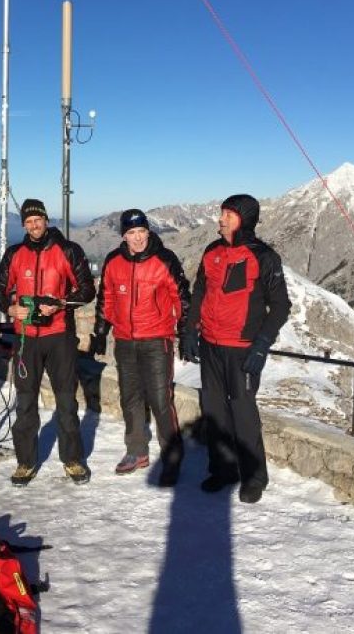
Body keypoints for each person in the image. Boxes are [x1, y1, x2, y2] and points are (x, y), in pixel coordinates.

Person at [182, 194, 291, 503]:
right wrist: (190, 331)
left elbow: (281, 306)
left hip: (242, 349)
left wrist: (261, 346)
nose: (221, 219)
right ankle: (223, 470)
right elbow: (200, 293)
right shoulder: (212, 251)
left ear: (244, 219)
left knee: (243, 414)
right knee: (214, 412)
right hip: (211, 345)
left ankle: (254, 477)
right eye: (222, 213)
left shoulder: (264, 257)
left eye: (228, 215)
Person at [0, 198, 96, 486]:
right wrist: (10, 308)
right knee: (25, 402)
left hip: (60, 336)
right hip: (26, 338)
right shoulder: (15, 254)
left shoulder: (68, 250)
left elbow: (87, 290)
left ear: (46, 220)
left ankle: (72, 459)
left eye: (38, 219)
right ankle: (25, 462)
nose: (34, 225)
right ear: (24, 224)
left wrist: (61, 303)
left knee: (66, 401)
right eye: (28, 221)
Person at [92, 208, 191, 486]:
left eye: (142, 232)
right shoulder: (114, 261)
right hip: (124, 341)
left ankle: (172, 458)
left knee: (160, 400)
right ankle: (136, 452)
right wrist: (100, 331)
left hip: (156, 340)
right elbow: (106, 297)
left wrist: (185, 333)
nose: (137, 238)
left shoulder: (164, 259)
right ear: (124, 235)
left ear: (149, 232)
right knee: (130, 398)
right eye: (132, 233)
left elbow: (182, 298)